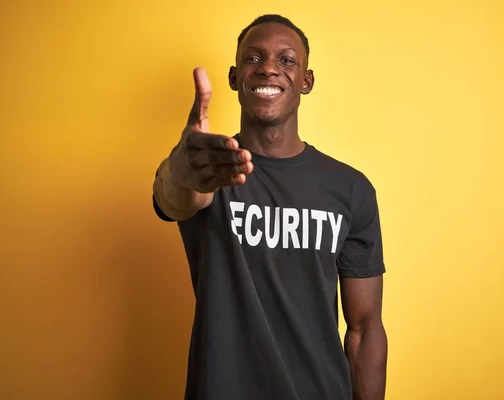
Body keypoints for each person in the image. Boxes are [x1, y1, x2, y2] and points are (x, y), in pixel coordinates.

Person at [152, 13, 387, 400]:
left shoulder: (350, 189)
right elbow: (173, 198)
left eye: (286, 60)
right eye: (253, 58)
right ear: (234, 77)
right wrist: (182, 172)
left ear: (306, 81)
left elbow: (364, 329)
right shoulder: (208, 168)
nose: (268, 69)